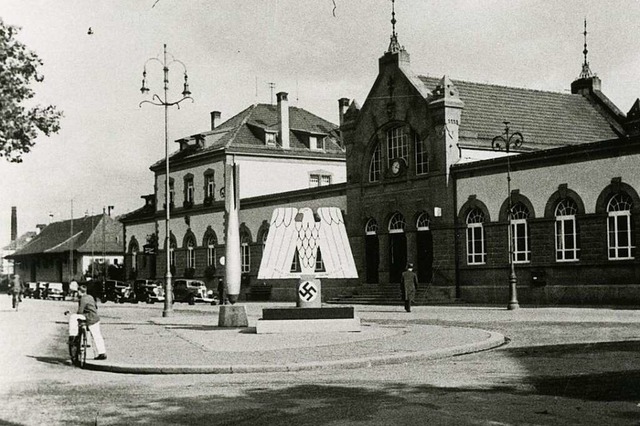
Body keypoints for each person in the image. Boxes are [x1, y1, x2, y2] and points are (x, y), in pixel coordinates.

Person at [68, 284, 107, 360]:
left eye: (77, 292)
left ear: (80, 291)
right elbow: (96, 307)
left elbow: (80, 311)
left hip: (89, 317)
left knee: (73, 317)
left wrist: (75, 313)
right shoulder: (90, 297)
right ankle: (102, 353)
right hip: (95, 317)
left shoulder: (83, 299)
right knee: (97, 336)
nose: (77, 294)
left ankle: (73, 335)